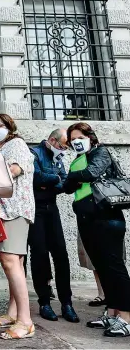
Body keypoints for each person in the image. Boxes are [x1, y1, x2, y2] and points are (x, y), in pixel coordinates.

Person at [63, 122, 130, 338]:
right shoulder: (78, 160)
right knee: (102, 268)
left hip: (107, 220)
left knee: (115, 268)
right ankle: (112, 312)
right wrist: (69, 179)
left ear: (90, 137)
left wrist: (71, 177)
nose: (76, 142)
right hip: (88, 220)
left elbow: (91, 174)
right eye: (72, 139)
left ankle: (127, 317)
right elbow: (68, 187)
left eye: (79, 137)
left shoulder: (101, 152)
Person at [0, 114, 36, 339]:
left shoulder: (16, 144)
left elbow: (14, 170)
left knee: (10, 261)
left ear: (9, 127)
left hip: (13, 209)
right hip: (3, 210)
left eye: (0, 125)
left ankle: (26, 321)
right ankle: (13, 312)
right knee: (14, 263)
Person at [29, 129, 79, 322]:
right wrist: (55, 179)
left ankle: (67, 302)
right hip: (36, 209)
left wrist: (53, 181)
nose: (65, 149)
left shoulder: (58, 158)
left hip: (52, 208)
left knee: (61, 254)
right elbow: (36, 178)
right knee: (39, 254)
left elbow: (66, 185)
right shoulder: (34, 153)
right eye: (63, 145)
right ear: (52, 140)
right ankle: (44, 302)